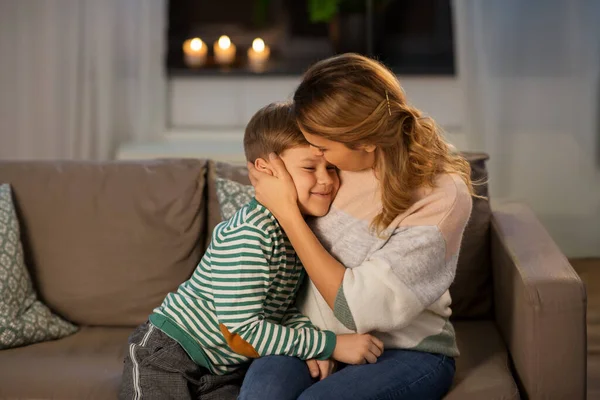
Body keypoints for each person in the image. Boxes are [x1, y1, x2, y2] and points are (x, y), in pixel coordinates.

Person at [240, 54, 474, 400]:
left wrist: (288, 214)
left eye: (323, 147)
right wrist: (319, 342)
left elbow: (355, 308)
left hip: (407, 350)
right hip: (313, 336)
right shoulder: (332, 168)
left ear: (364, 140)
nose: (321, 160)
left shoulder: (441, 195)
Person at [118, 101, 383, 400]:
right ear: (267, 171)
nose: (327, 179)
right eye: (310, 167)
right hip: (169, 353)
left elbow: (280, 311)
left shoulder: (298, 232)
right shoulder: (252, 232)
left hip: (223, 369)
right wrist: (329, 344)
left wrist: (309, 347)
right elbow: (241, 331)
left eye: (332, 168)